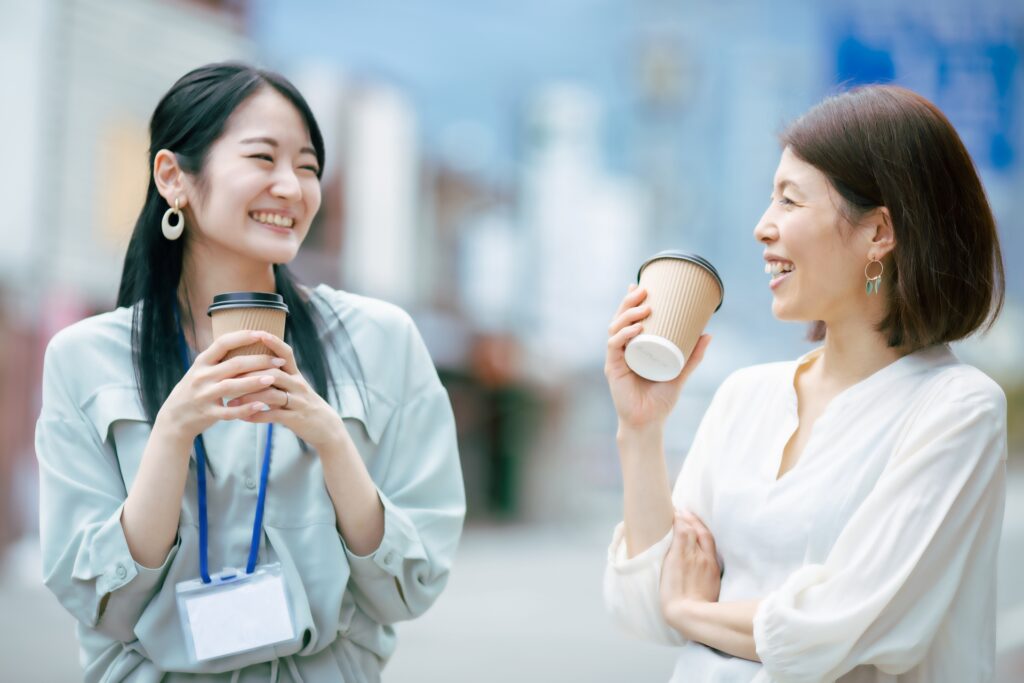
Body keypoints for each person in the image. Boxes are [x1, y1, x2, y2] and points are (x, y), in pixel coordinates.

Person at [36, 62, 465, 682]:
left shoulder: (381, 342)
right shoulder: (85, 358)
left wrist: (331, 441)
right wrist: (173, 433)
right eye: (263, 159)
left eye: (309, 167)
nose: (292, 187)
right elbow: (98, 599)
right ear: (173, 177)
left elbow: (409, 587)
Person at [603, 84, 1007, 682]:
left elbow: (837, 626)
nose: (763, 228)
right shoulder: (746, 395)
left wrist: (689, 608)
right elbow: (646, 609)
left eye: (790, 202)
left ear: (879, 233)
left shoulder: (957, 409)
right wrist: (640, 428)